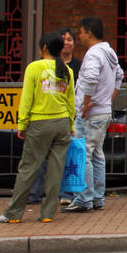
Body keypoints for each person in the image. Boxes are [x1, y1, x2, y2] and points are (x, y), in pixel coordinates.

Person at [0, 33, 76, 223]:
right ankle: (48, 214)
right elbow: (71, 101)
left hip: (40, 123)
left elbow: (27, 99)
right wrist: (71, 124)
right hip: (62, 123)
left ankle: (14, 213)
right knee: (56, 170)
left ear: (44, 48)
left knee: (28, 168)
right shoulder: (67, 70)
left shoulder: (34, 67)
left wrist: (22, 124)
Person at [64, 17, 124, 213]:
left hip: (90, 113)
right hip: (103, 111)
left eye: (80, 32)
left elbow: (89, 77)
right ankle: (97, 196)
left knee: (84, 154)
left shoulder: (93, 54)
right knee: (97, 154)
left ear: (89, 32)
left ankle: (84, 198)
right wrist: (109, 97)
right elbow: (119, 75)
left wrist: (86, 101)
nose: (79, 36)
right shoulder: (109, 52)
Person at [29, 26, 83, 207]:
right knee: (42, 160)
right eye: (63, 39)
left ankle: (62, 194)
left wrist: (72, 122)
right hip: (50, 119)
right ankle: (37, 196)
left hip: (60, 119)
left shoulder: (76, 66)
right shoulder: (40, 66)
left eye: (70, 39)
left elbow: (71, 98)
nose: (66, 42)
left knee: (60, 160)